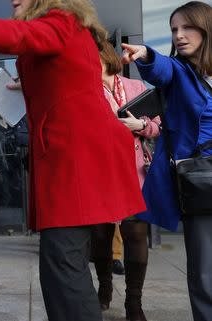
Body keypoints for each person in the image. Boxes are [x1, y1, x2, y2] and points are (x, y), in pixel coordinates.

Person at [0, 1, 147, 320]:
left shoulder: (60, 20)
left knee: (63, 264)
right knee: (62, 262)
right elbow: (64, 75)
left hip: (75, 160)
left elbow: (18, 35)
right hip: (73, 157)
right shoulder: (71, 28)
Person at [121, 2, 212, 321]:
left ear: (205, 28)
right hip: (202, 181)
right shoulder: (178, 72)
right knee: (204, 268)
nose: (179, 35)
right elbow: (160, 68)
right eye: (174, 29)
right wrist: (145, 54)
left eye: (187, 27)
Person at [91, 41, 161, 321]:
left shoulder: (136, 88)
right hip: (100, 173)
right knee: (100, 237)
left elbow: (159, 126)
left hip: (135, 172)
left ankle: (134, 301)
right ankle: (105, 287)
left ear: (106, 59)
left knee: (136, 235)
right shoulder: (86, 93)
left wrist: (141, 126)